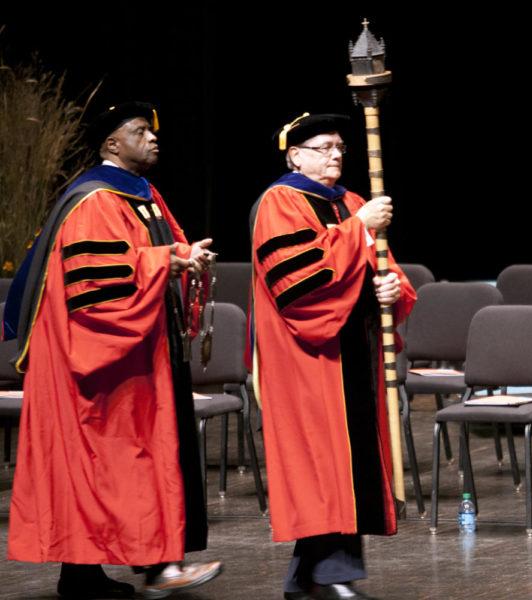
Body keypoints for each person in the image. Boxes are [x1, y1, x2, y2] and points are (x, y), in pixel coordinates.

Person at [6, 102, 221, 599]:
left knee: (110, 464)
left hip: (136, 350)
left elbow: (150, 256)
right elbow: (97, 283)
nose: (152, 138)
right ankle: (137, 569)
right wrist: (168, 260)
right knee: (113, 461)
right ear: (111, 145)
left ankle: (86, 575)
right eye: (140, 130)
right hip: (95, 355)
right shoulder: (94, 200)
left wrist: (186, 258)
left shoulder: (140, 196)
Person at [249, 113, 416, 600]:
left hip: (352, 354)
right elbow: (297, 282)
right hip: (308, 356)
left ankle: (309, 579)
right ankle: (331, 577)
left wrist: (388, 289)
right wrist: (358, 230)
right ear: (294, 156)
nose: (336, 155)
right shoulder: (279, 203)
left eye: (340, 146)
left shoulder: (350, 202)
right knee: (323, 467)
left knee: (344, 467)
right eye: (322, 147)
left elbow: (379, 268)